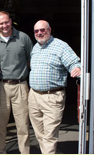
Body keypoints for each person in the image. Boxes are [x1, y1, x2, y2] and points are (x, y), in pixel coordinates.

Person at [29, 20, 81, 154]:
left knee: (49, 135)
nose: (39, 33)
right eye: (36, 31)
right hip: (34, 96)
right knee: (39, 133)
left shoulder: (60, 46)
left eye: (42, 30)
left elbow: (74, 62)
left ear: (49, 30)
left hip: (52, 97)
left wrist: (77, 68)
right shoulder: (35, 47)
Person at [0, 11, 33, 154]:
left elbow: (30, 60)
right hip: (1, 87)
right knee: (0, 125)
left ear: (11, 21)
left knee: (23, 126)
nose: (4, 25)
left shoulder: (23, 38)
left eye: (6, 22)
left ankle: (24, 152)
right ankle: (0, 152)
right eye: (1, 23)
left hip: (21, 85)